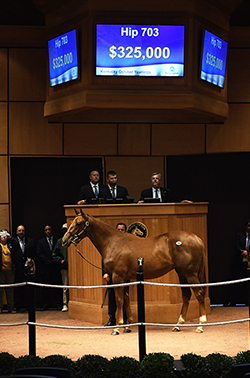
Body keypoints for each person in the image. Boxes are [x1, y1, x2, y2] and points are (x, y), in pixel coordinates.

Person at [102, 222, 131, 334]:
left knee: (124, 298)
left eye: (122, 230)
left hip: (124, 275)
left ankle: (124, 320)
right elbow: (105, 259)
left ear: (125, 231)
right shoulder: (111, 245)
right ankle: (112, 319)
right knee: (112, 297)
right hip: (111, 275)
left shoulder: (128, 244)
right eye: (118, 229)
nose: (120, 231)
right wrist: (105, 273)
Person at [37, 225, 62, 310]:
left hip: (56, 267)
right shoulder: (41, 242)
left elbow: (59, 252)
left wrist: (55, 261)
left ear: (52, 230)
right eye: (46, 230)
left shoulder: (57, 240)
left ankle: (58, 304)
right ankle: (46, 304)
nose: (48, 231)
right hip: (46, 268)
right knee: (46, 288)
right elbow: (40, 255)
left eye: (49, 230)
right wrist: (49, 262)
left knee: (57, 287)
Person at [225, 219, 250, 307]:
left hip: (249, 263)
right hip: (239, 262)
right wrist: (242, 252)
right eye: (249, 226)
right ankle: (233, 301)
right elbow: (236, 245)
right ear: (246, 226)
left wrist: (248, 253)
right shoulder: (239, 235)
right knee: (236, 282)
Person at [14, 225, 36, 312]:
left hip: (28, 269)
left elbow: (34, 254)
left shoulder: (30, 241)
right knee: (17, 288)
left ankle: (29, 306)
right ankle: (17, 306)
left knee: (28, 288)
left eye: (22, 230)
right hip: (17, 268)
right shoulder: (13, 242)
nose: (21, 232)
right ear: (16, 232)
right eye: (19, 231)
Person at [0, 230, 19, 313]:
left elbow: (17, 246)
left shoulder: (10, 245)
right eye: (2, 235)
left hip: (10, 270)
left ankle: (11, 307)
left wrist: (10, 237)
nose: (4, 237)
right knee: (0, 290)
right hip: (1, 271)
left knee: (10, 289)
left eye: (5, 235)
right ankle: (0, 307)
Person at [52, 223, 69, 312]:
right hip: (64, 267)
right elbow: (54, 254)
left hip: (74, 267)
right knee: (65, 287)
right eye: (64, 229)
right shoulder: (60, 241)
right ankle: (65, 304)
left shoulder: (74, 240)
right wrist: (60, 260)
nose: (65, 231)